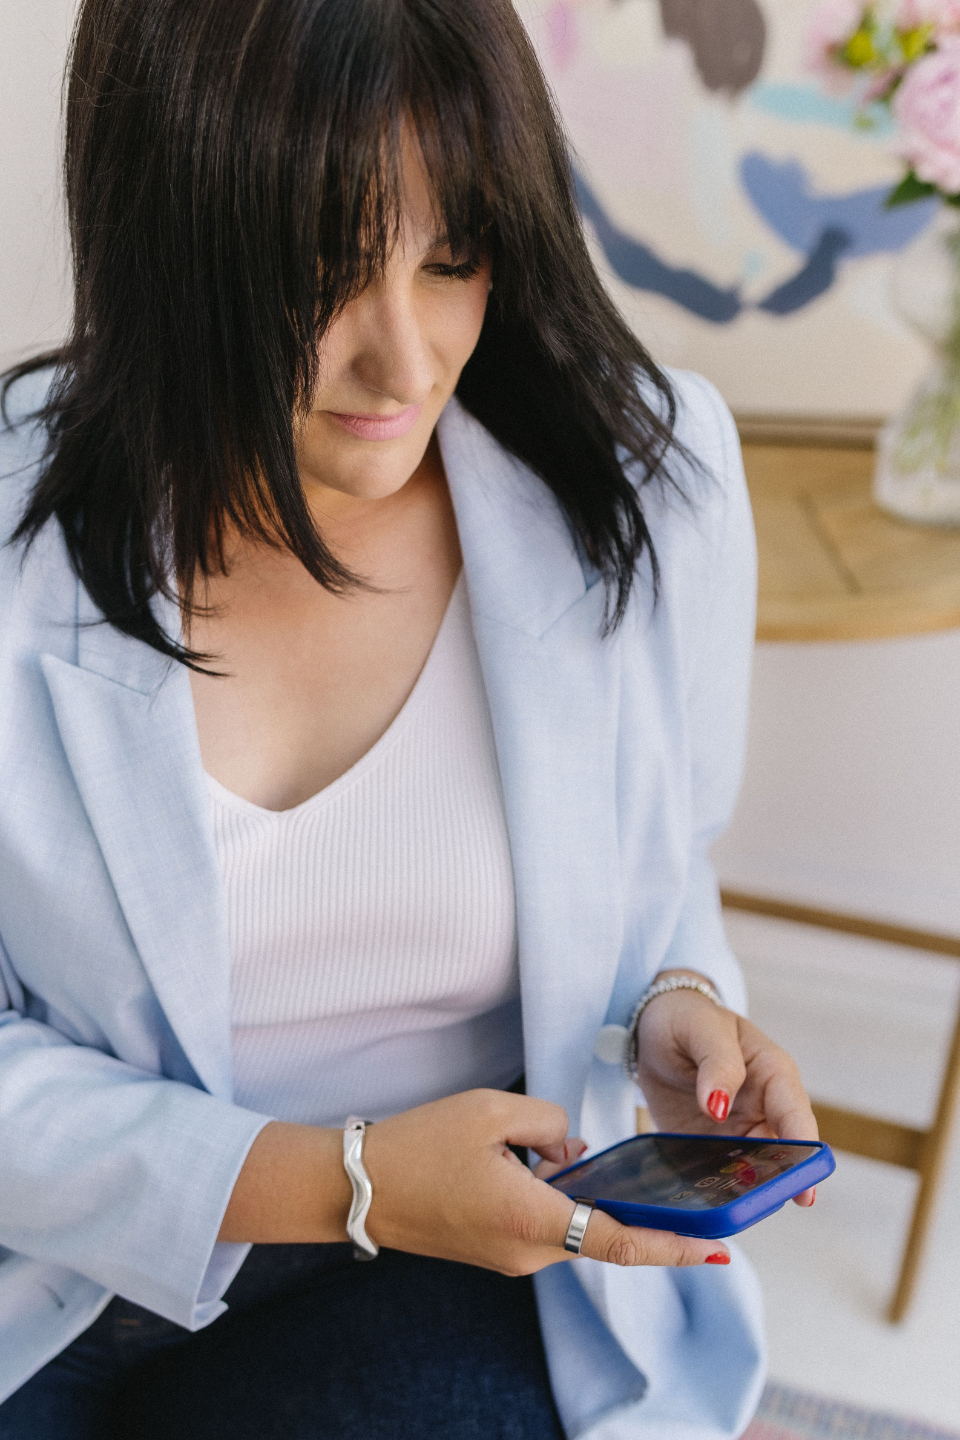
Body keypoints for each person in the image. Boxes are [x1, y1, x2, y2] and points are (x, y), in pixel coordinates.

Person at [0, 0, 817, 1436]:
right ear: (166, 239)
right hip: (52, 1261)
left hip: (455, 1259)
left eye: (453, 257)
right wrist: (349, 1177)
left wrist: (673, 1005)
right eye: (318, 277)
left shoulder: (649, 480)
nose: (407, 362)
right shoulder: (22, 529)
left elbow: (665, 855)